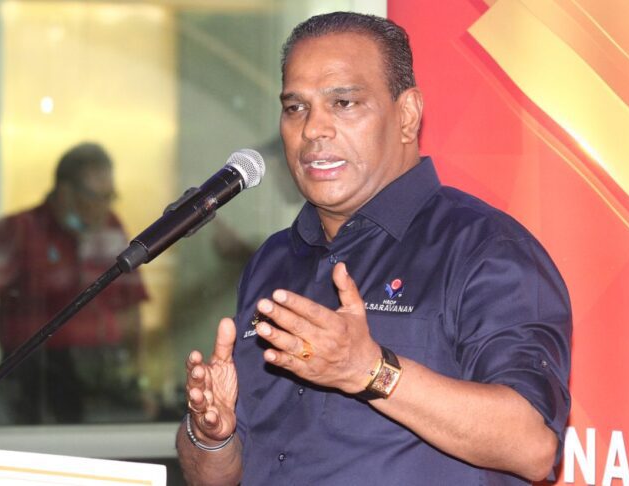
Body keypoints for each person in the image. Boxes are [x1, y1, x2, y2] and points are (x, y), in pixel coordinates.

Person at [176, 12, 571, 486]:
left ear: (407, 115)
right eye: (296, 107)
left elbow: (532, 446)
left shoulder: (486, 248)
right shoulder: (273, 260)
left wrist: (369, 370)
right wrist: (211, 436)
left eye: (343, 103)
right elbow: (217, 476)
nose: (313, 129)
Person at [0, 142, 149, 424]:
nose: (103, 208)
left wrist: (139, 379)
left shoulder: (110, 229)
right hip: (38, 379)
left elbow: (131, 310)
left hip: (105, 376)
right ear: (65, 192)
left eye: (110, 197)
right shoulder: (19, 231)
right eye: (95, 198)